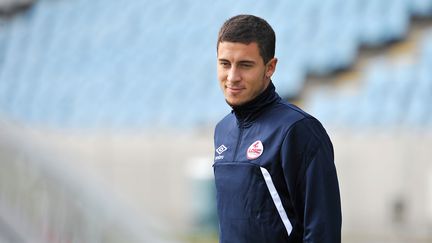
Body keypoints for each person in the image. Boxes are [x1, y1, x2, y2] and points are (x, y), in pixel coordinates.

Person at [213, 14, 342, 243]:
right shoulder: (223, 131)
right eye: (225, 64)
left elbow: (323, 232)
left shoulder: (298, 131)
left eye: (245, 65)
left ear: (270, 67)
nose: (232, 77)